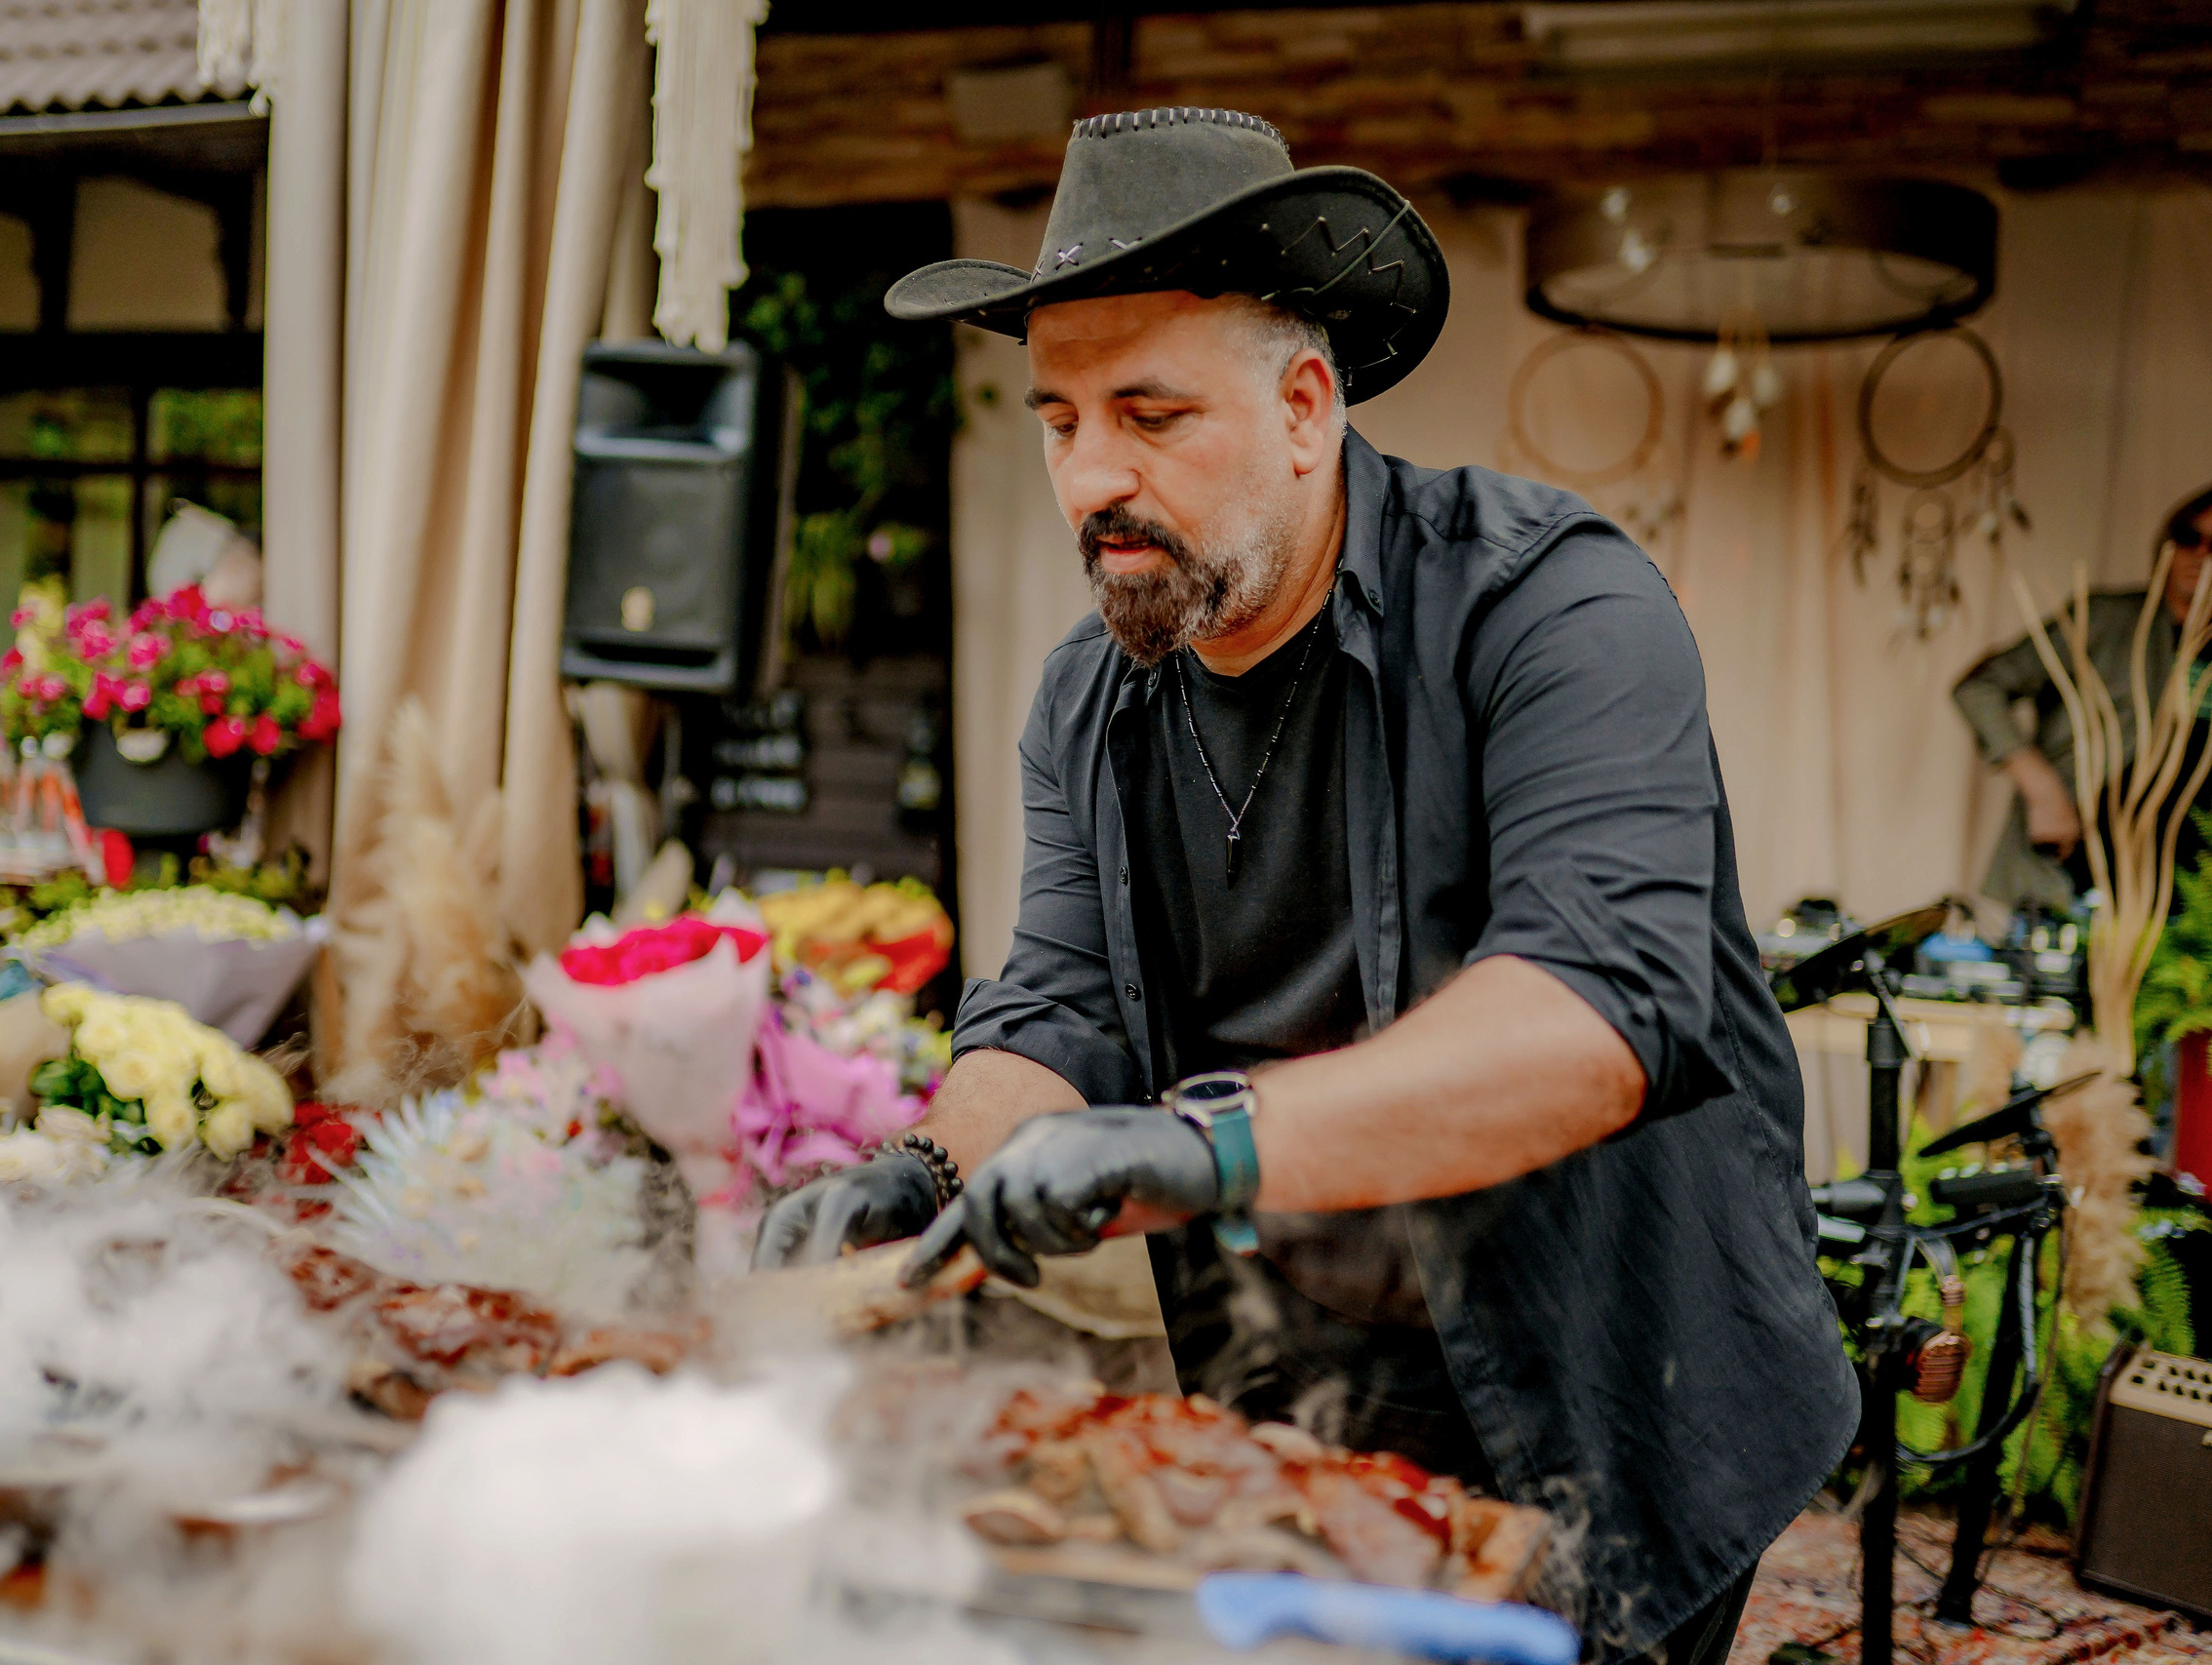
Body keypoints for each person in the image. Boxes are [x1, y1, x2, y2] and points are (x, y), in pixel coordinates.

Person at [752, 108, 1854, 1664]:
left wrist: (1208, 1145)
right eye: (1059, 418)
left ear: (1306, 406)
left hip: (1612, 1377)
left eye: (1151, 412)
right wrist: (921, 1167)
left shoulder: (1556, 604)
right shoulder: (1089, 696)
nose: (1092, 478)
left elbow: (1602, 1010)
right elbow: (1059, 1006)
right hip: (1301, 1382)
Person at [1955, 485, 2212, 912]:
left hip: (2183, 880)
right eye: (2189, 537)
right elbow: (1979, 687)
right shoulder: (2104, 620)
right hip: (2078, 862)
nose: (2201, 554)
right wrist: (2040, 788)